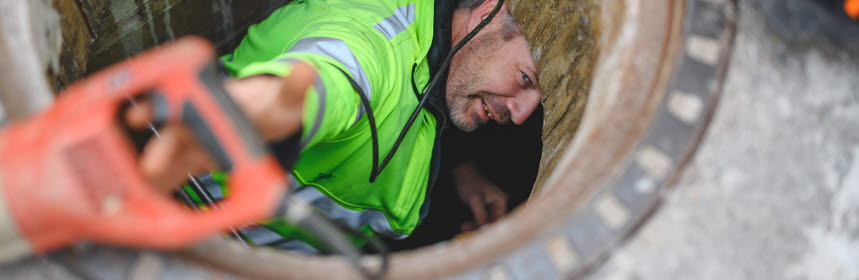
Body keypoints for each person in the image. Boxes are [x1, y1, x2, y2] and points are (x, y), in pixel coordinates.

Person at [150, 0, 543, 251]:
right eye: (525, 79)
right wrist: (266, 108)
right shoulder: (376, 39)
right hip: (187, 237)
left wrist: (463, 170)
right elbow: (334, 72)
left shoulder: (451, 65)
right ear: (487, 12)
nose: (522, 114)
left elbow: (428, 106)